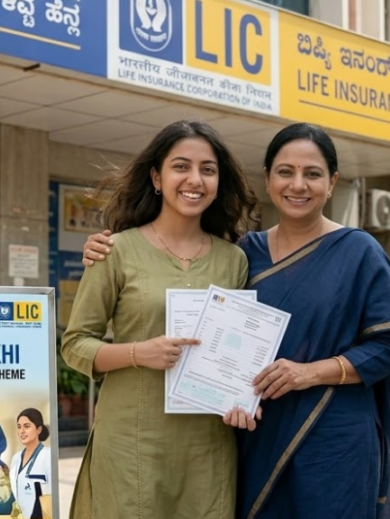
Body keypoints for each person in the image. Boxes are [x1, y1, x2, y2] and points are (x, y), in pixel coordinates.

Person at [82, 122, 390, 518]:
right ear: (267, 178)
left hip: (333, 440)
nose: (298, 185)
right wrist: (102, 248)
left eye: (312, 174)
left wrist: (309, 373)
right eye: (285, 172)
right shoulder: (245, 253)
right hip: (256, 435)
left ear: (332, 183)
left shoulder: (358, 251)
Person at [62, 120, 260, 519]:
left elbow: (238, 351)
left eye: (208, 169)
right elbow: (75, 345)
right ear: (156, 177)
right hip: (131, 442)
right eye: (181, 166)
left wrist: (242, 397)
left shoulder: (233, 260)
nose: (195, 179)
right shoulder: (115, 251)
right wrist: (139, 353)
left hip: (206, 446)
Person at [8, 408, 52, 519]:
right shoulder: (16, 458)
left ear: (39, 429)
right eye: (19, 427)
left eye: (27, 426)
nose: (21, 431)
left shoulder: (47, 456)